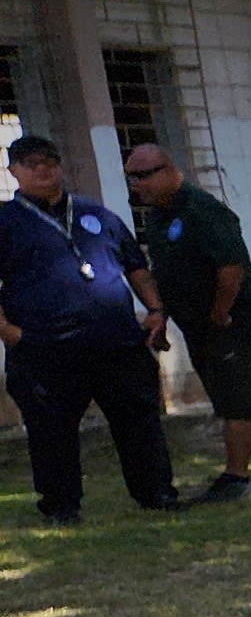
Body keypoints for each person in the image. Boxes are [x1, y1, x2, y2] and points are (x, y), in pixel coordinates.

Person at [2, 134, 180, 520]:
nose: (42, 169)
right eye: (30, 163)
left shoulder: (96, 215)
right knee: (52, 432)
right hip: (45, 348)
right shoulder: (5, 222)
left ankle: (157, 494)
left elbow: (135, 266)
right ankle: (61, 507)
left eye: (49, 160)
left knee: (139, 421)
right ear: (14, 171)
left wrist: (155, 309)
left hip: (117, 343)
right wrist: (10, 334)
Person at [123, 144, 251, 497]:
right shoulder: (158, 215)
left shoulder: (203, 210)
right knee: (239, 399)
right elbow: (168, 272)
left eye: (145, 175)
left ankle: (236, 479)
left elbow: (231, 269)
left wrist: (220, 313)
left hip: (233, 322)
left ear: (169, 170)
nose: (138, 184)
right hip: (198, 325)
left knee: (238, 402)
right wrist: (163, 315)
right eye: (132, 177)